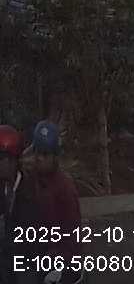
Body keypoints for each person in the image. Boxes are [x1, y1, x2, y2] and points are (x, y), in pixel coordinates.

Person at [27, 121, 81, 284]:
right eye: (37, 152)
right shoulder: (31, 180)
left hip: (60, 261)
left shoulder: (65, 189)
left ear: (55, 156)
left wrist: (60, 266)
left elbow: (73, 238)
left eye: (45, 154)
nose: (39, 158)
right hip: (37, 254)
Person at [1, 124, 40, 284]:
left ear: (12, 160)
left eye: (0, 159)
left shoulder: (30, 192)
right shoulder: (3, 188)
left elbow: (30, 242)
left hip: (27, 262)